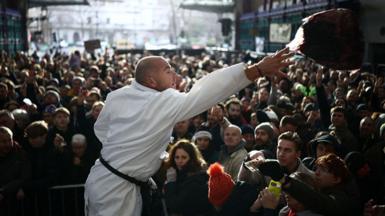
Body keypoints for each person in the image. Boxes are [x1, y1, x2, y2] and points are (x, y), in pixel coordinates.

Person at [84, 48, 293, 216]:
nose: (174, 75)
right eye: (168, 70)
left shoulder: (117, 96)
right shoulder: (162, 101)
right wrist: (257, 70)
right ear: (151, 81)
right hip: (116, 192)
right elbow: (207, 91)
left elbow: (102, 131)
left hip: (101, 179)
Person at [163, 139, 214, 216]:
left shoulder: (196, 178)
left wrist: (171, 182)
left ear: (192, 158)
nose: (180, 161)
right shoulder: (180, 174)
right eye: (177, 157)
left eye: (184, 157)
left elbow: (175, 206)